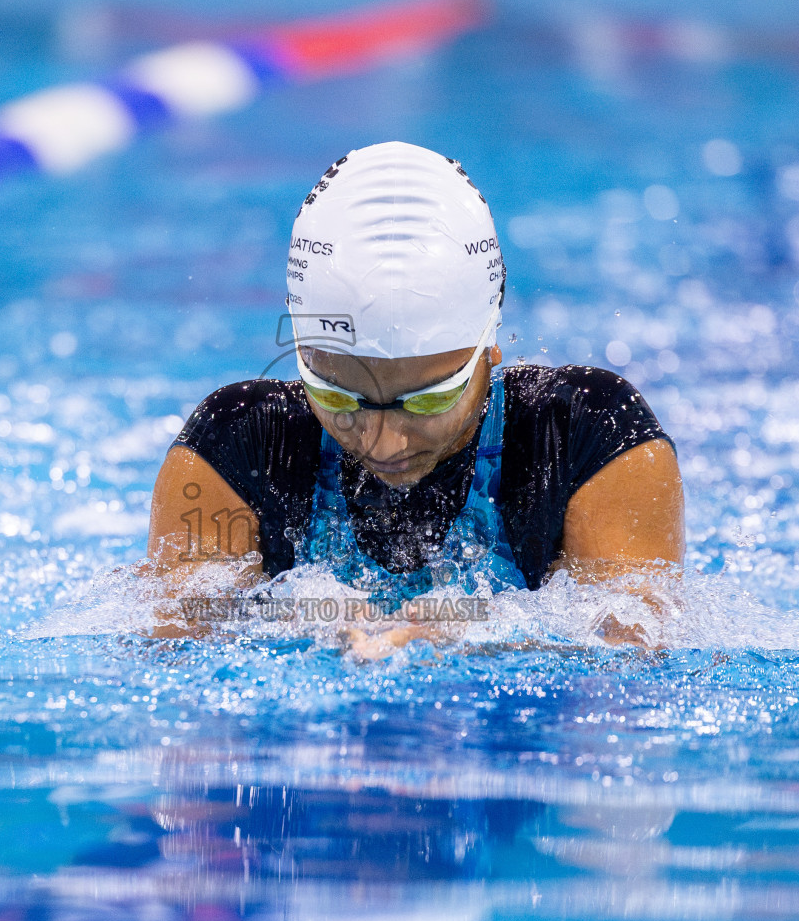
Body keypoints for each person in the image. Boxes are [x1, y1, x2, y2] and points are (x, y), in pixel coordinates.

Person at [146, 141, 683, 655]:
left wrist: (478, 637)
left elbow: (633, 655)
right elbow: (173, 648)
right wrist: (297, 622)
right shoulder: (235, 448)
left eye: (426, 400)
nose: (384, 442)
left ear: (488, 346)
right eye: (343, 399)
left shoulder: (589, 437)